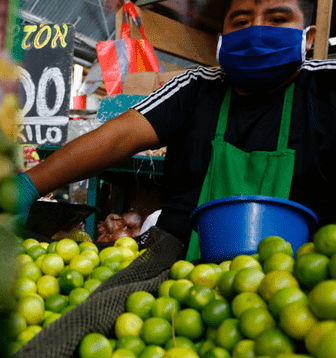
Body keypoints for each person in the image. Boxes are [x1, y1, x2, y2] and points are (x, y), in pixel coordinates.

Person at [17, 0, 335, 261]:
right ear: (221, 37)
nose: (255, 31)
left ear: (307, 37)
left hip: (301, 284)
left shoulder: (328, 88)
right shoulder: (196, 89)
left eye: (277, 19)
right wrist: (31, 184)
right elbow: (118, 136)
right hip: (177, 274)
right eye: (240, 22)